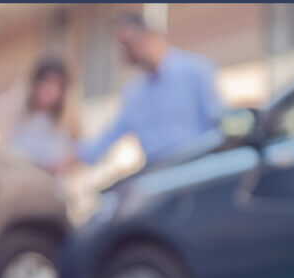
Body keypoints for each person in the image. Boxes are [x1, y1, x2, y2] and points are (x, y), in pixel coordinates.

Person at [75, 11, 225, 167]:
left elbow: (219, 126)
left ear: (150, 36)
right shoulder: (133, 96)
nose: (123, 52)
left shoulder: (197, 71)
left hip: (199, 173)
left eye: (127, 43)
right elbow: (101, 144)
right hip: (157, 181)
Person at [10, 56, 77, 176]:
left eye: (57, 85)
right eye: (47, 82)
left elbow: (79, 153)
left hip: (51, 187)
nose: (51, 90)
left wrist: (63, 164)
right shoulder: (15, 114)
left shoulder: (67, 122)